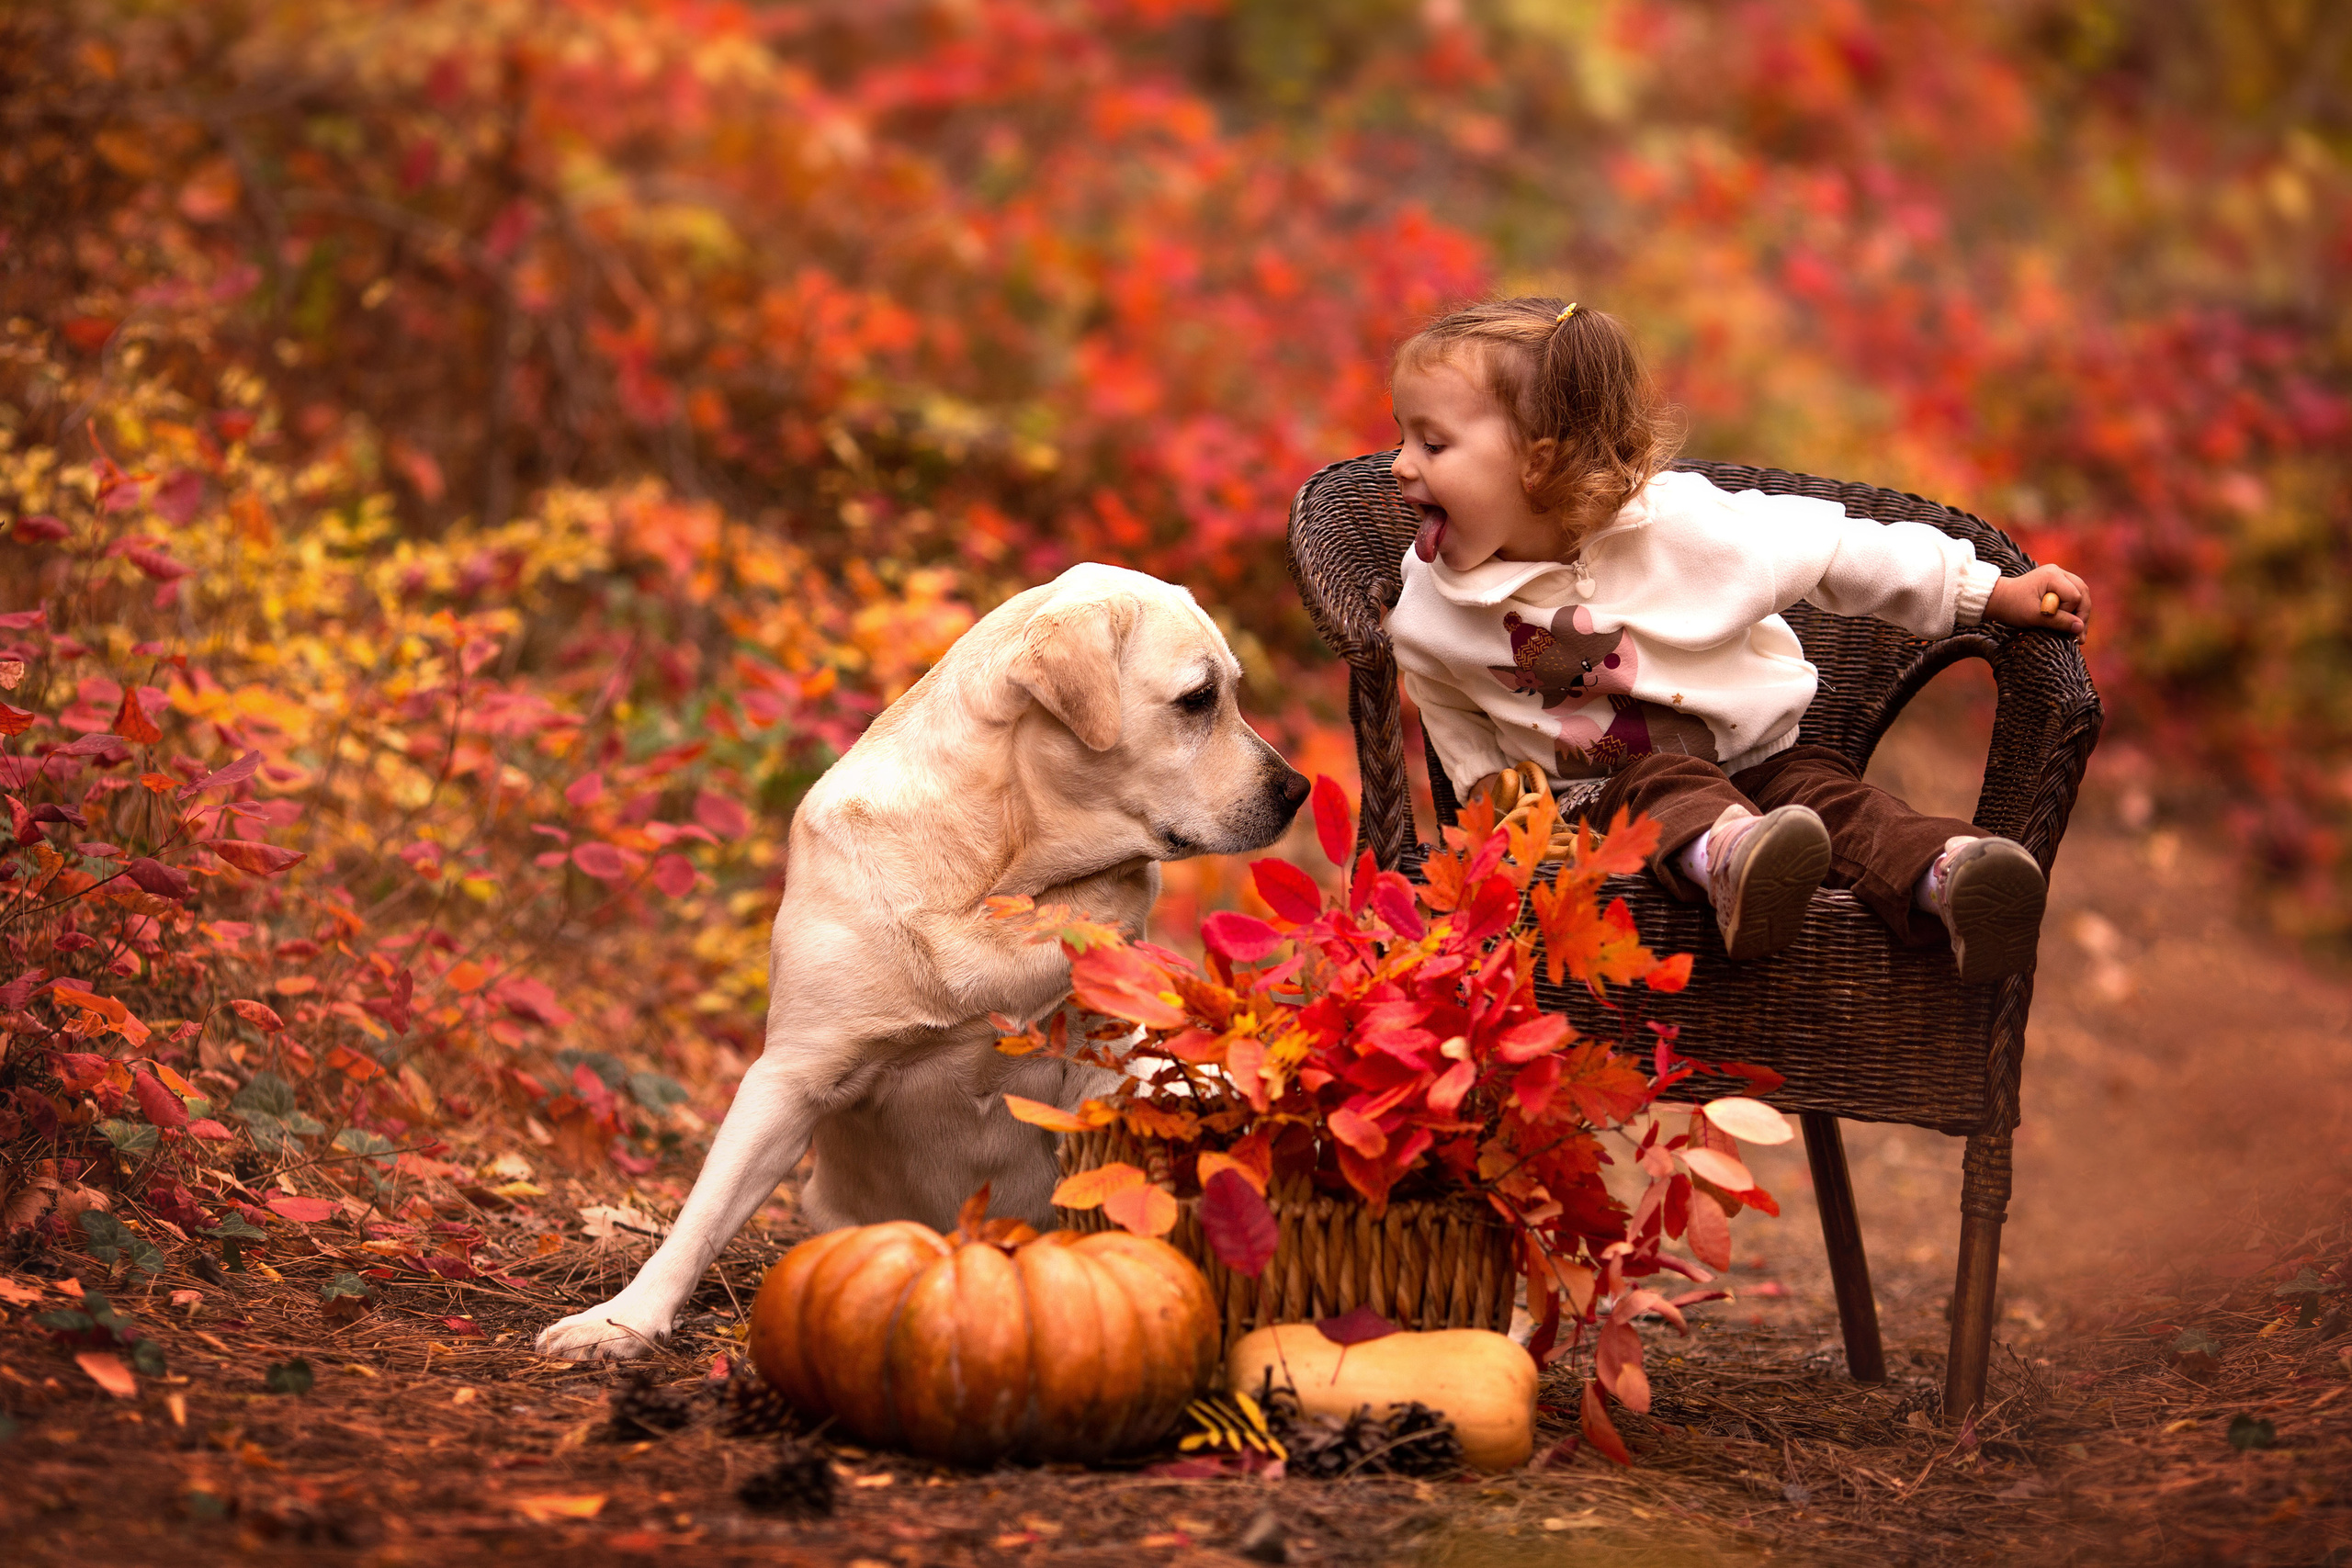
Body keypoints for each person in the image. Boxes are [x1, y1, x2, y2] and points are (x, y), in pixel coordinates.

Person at [1383, 298, 2091, 982]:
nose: (1401, 465)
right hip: (1599, 802)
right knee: (1661, 784)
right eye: (1402, 437)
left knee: (1842, 806)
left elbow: (1841, 552)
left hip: (1763, 759)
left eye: (1432, 444)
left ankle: (1952, 877)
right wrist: (1491, 798)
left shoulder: (1684, 527)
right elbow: (1446, 701)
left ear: (1537, 463)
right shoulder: (1431, 605)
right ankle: (1734, 860)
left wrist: (1984, 593)